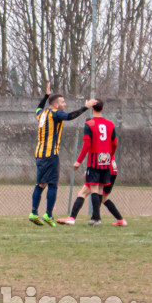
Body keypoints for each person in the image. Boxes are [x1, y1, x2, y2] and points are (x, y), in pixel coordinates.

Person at [29, 82, 97, 227]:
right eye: (62, 102)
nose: (65, 104)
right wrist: (87, 106)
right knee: (53, 184)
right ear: (55, 105)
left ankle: (34, 212)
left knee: (40, 184)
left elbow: (38, 108)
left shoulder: (42, 114)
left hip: (39, 154)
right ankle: (48, 214)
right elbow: (70, 116)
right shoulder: (56, 114)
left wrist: (46, 96)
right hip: (50, 154)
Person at [57, 99, 118, 227]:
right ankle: (95, 218)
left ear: (92, 108)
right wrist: (110, 155)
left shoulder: (89, 124)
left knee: (94, 189)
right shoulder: (111, 124)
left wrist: (78, 161)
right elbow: (114, 143)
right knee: (99, 189)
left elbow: (87, 144)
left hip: (94, 160)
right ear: (103, 108)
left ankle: (96, 218)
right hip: (106, 159)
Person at [58, 154, 126, 226]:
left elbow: (97, 151)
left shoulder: (97, 142)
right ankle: (119, 220)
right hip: (112, 169)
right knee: (103, 198)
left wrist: (88, 169)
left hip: (101, 168)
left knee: (82, 193)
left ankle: (73, 218)